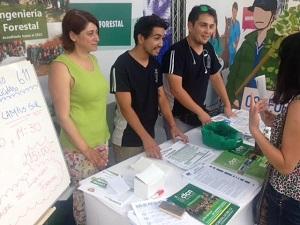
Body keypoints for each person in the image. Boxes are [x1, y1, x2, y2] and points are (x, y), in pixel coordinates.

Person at [48, 9, 109, 225]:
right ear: (73, 36)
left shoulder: (93, 60)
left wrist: (100, 145)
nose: (97, 38)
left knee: (99, 196)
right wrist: (87, 151)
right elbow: (63, 116)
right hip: (78, 149)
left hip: (101, 140)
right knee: (84, 200)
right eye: (91, 33)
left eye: (97, 32)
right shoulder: (61, 66)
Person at [110, 14, 187, 163]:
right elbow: (126, 108)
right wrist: (147, 139)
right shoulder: (121, 66)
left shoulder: (154, 64)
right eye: (157, 38)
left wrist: (173, 125)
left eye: (163, 38)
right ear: (141, 38)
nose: (161, 43)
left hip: (149, 136)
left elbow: (161, 97)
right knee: (131, 183)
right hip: (128, 140)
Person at [249, 32, 300, 225]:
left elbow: (286, 165)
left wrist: (255, 130)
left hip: (287, 201)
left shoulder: (298, 105)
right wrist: (276, 122)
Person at [162, 4, 235, 134]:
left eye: (211, 26)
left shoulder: (208, 49)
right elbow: (176, 90)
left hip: (198, 114)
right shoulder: (176, 52)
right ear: (190, 26)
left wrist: (227, 105)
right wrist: (200, 112)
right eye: (203, 25)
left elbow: (216, 77)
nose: (208, 31)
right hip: (178, 119)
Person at [226, 0, 278, 108]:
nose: (259, 17)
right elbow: (233, 73)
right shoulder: (247, 44)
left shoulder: (278, 45)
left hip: (265, 106)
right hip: (240, 102)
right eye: (257, 12)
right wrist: (232, 98)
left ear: (273, 16)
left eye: (264, 13)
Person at [228, 2, 241, 66]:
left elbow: (238, 37)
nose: (234, 13)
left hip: (234, 48)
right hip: (228, 47)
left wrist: (235, 46)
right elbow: (226, 33)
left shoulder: (238, 23)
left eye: (235, 12)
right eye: (233, 11)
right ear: (232, 11)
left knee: (233, 64)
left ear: (237, 12)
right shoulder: (228, 21)